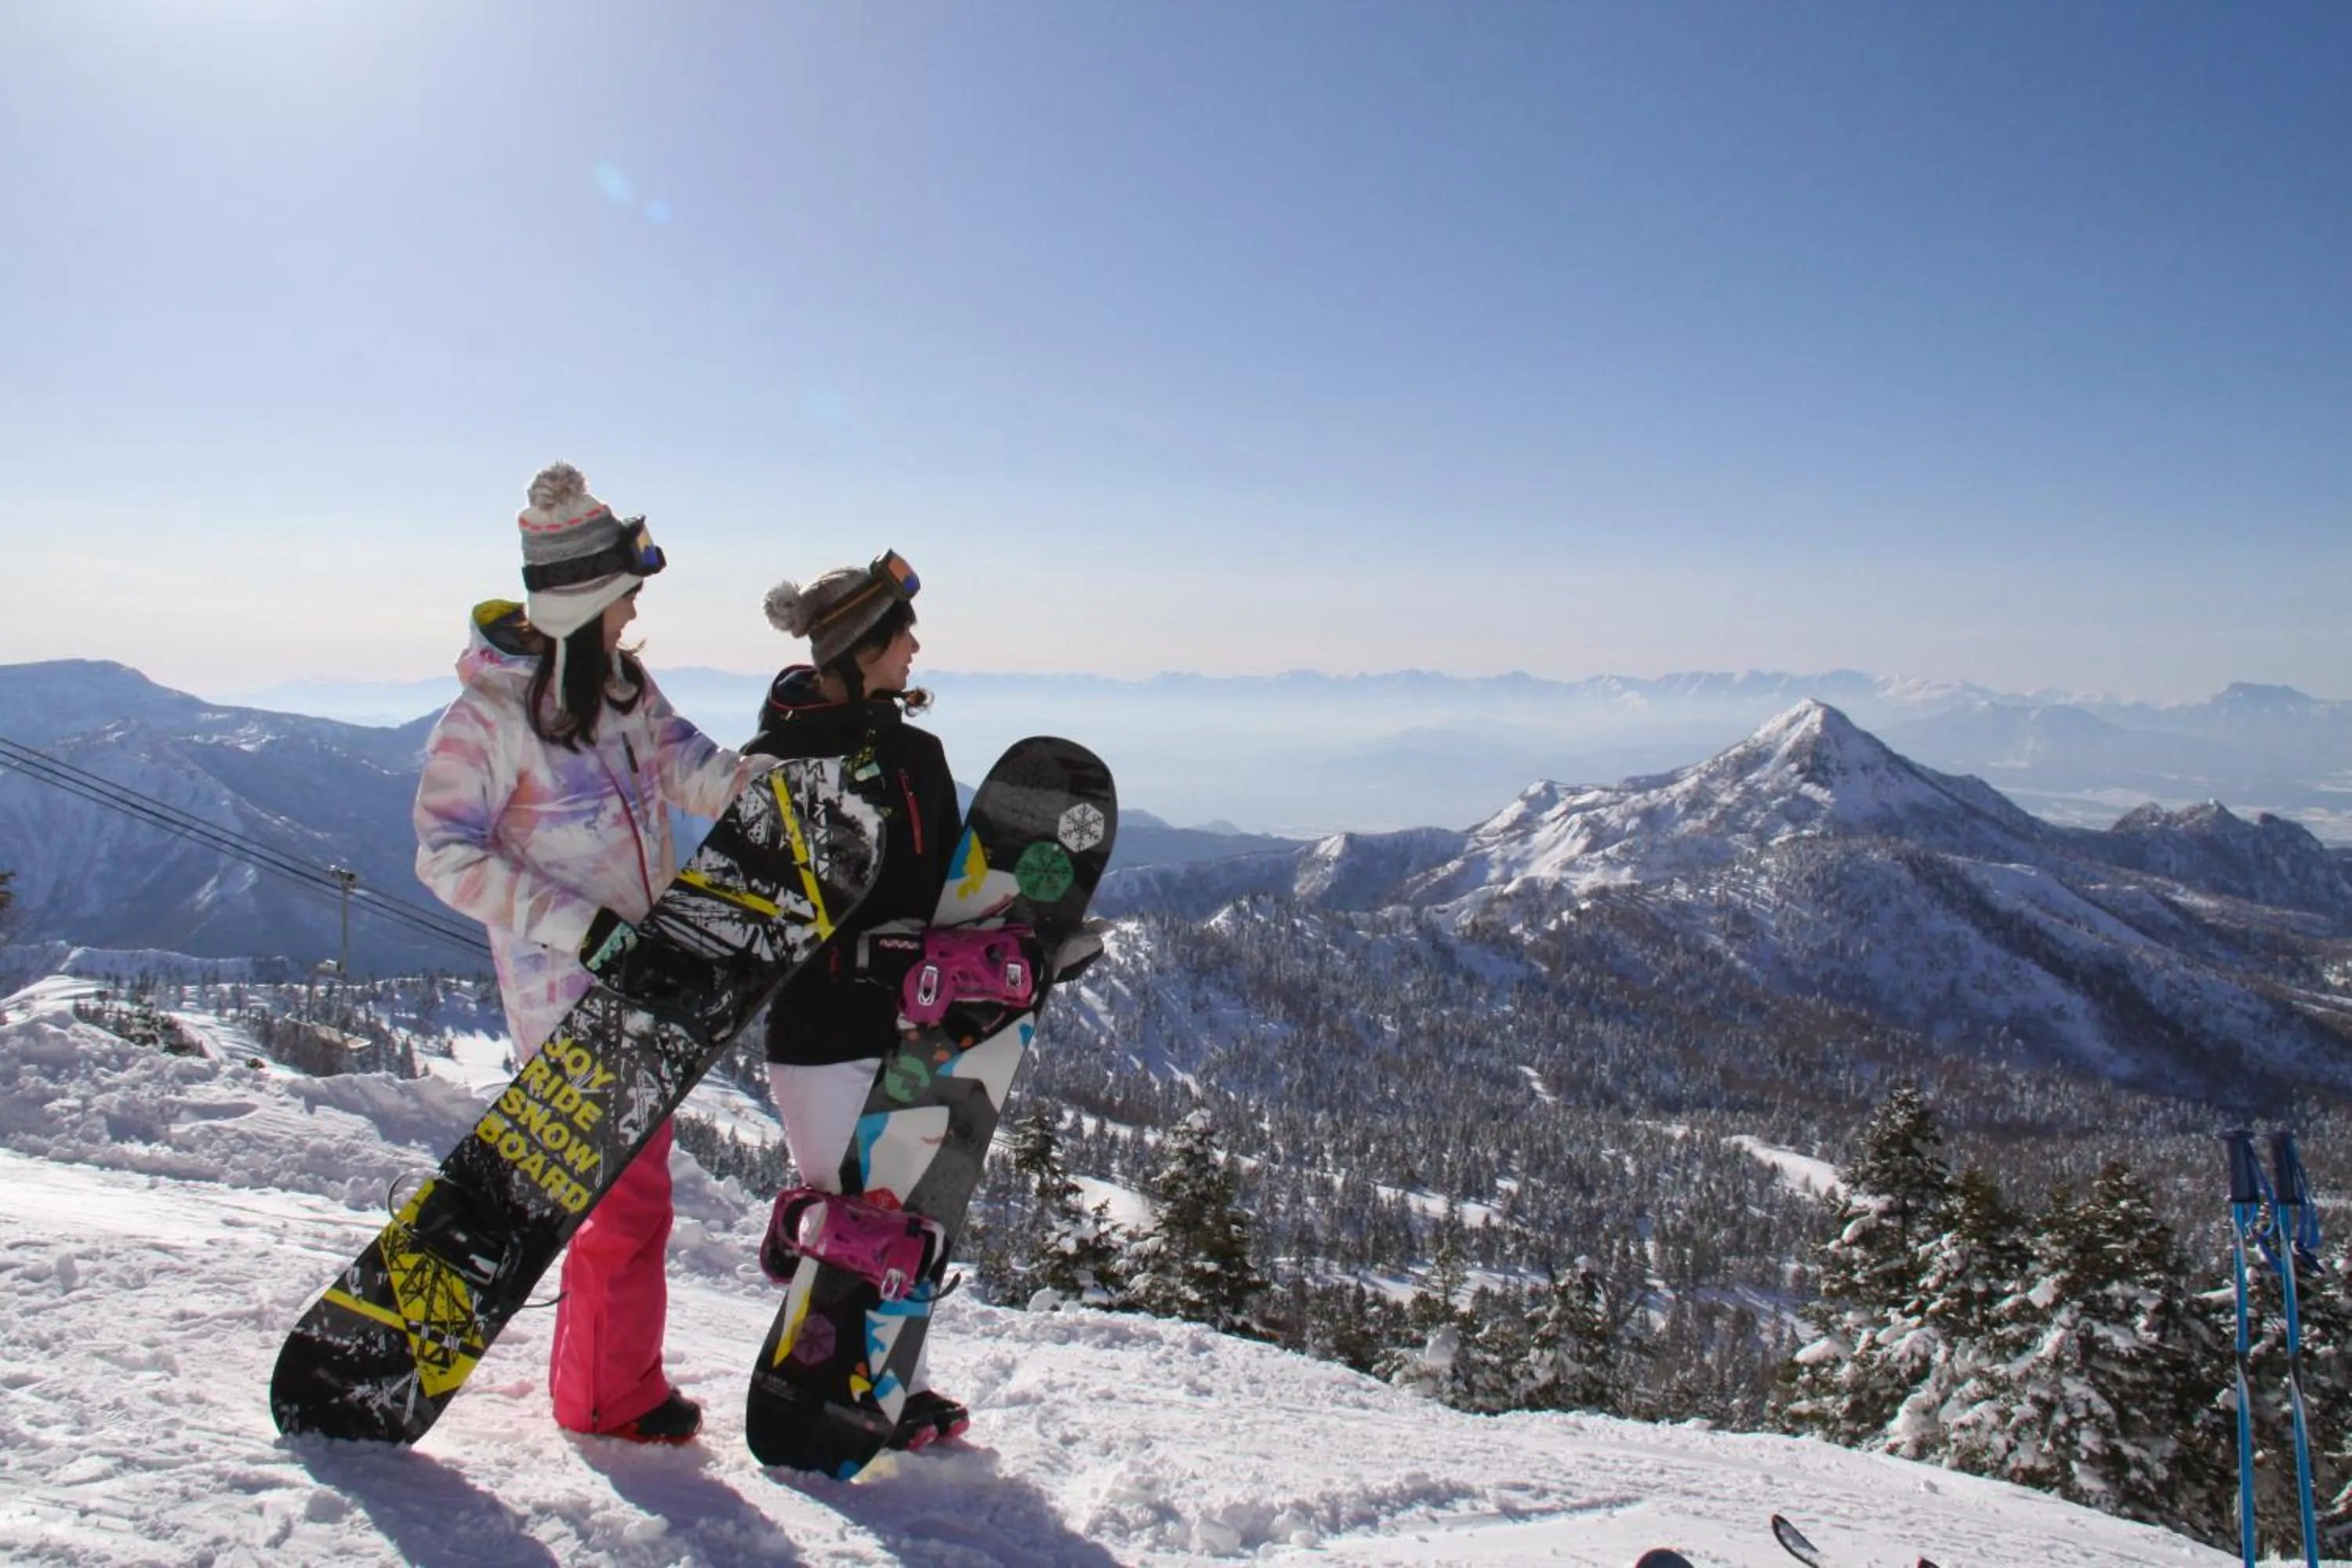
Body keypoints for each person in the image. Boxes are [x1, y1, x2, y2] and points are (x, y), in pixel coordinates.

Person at [413, 461, 774, 1445]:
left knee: (625, 1189)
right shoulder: (488, 716)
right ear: (584, 600)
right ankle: (608, 1395)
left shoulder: (622, 687)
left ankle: (603, 1378)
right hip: (568, 992)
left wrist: (769, 787)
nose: (635, 616)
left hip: (647, 974)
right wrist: (584, 928)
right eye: (624, 598)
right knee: (627, 1196)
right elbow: (443, 853)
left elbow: (688, 766)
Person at [747, 550, 972, 1450]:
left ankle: (887, 1388)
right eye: (899, 632)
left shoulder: (911, 753)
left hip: (885, 1026)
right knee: (853, 1223)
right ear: (859, 646)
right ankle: (822, 1398)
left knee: (890, 1221)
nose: (914, 645)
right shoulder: (772, 763)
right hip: (822, 1031)